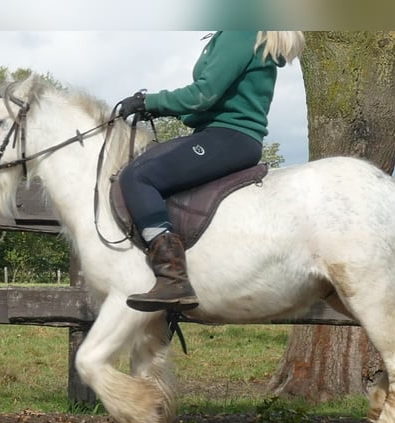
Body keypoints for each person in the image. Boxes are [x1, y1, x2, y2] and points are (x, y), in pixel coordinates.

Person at [116, 30, 305, 313]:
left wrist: (149, 102)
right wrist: (161, 110)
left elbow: (203, 95)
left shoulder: (239, 33)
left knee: (138, 176)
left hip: (227, 136)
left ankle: (172, 278)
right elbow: (206, 104)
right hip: (227, 136)